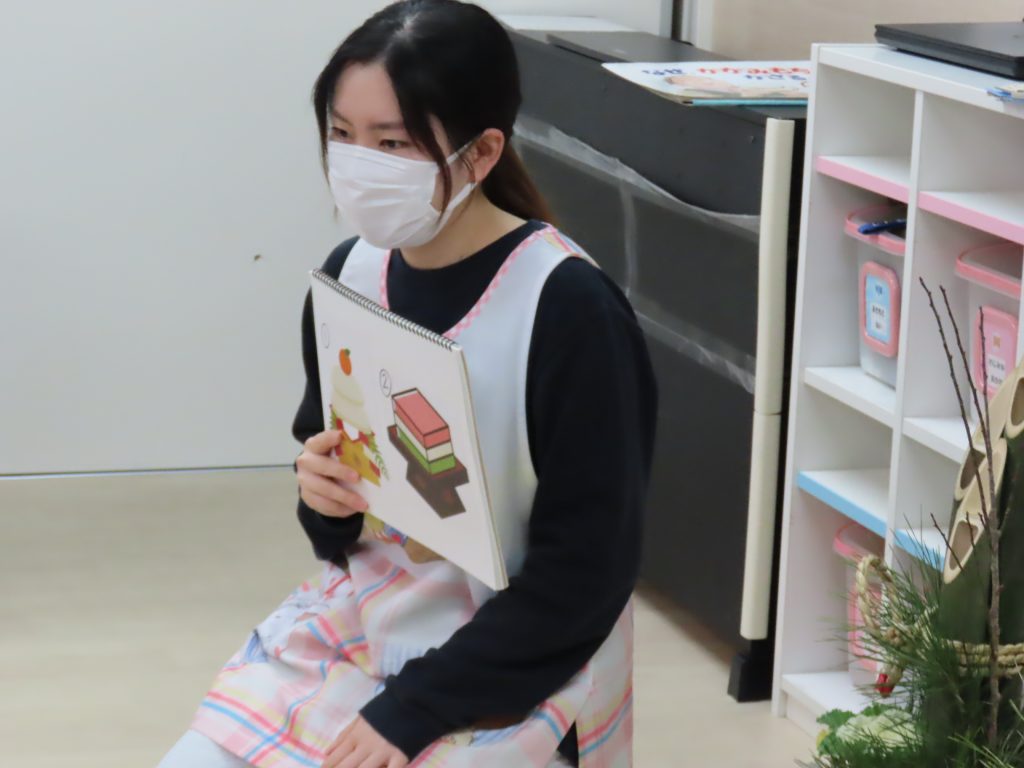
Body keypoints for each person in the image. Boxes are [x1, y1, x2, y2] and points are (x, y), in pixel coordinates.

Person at [158, 2, 656, 766]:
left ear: (481, 153)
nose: (359, 165)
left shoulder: (568, 310)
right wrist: (323, 500)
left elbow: (587, 574)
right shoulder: (349, 276)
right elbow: (337, 509)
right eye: (341, 134)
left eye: (392, 143)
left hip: (519, 655)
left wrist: (413, 710)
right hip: (367, 618)